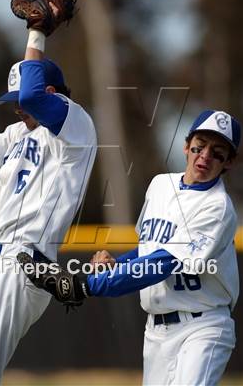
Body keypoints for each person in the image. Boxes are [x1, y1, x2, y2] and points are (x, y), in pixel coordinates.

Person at [23, 110, 241, 385]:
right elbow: (147, 251)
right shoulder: (160, 185)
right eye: (200, 145)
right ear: (187, 146)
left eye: (218, 152)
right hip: (156, 332)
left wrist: (87, 285)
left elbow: (163, 263)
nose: (206, 156)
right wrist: (116, 266)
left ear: (229, 162)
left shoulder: (217, 207)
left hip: (203, 327)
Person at [0, 13, 96, 386]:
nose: (17, 106)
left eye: (21, 99)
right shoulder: (17, 135)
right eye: (13, 101)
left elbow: (31, 94)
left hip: (22, 264)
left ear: (51, 93)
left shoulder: (75, 127)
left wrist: (37, 32)